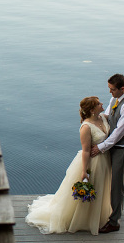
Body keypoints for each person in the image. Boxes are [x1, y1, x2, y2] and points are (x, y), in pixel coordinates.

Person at [25, 97, 112, 235]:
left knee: (101, 187)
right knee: (92, 187)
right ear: (92, 110)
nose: (102, 104)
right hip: (93, 162)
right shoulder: (86, 127)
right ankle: (82, 219)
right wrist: (84, 171)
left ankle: (98, 215)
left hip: (105, 160)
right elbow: (86, 151)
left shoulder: (103, 118)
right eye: (98, 103)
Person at [91, 73, 124, 233]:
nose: (110, 92)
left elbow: (119, 132)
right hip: (111, 148)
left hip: (122, 150)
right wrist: (91, 119)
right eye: (109, 88)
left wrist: (101, 147)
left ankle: (114, 222)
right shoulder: (114, 100)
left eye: (112, 89)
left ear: (122, 88)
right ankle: (107, 212)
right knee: (106, 181)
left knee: (117, 186)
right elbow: (108, 117)